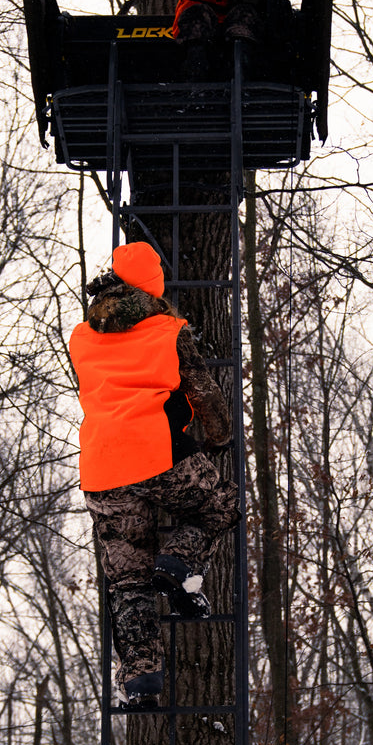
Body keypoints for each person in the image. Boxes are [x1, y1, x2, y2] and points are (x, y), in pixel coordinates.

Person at [69, 242, 238, 710]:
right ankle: (179, 564)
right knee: (222, 504)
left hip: (101, 467)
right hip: (159, 452)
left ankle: (141, 681)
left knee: (127, 581)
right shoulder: (171, 330)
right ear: (154, 286)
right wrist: (220, 438)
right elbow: (204, 396)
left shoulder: (81, 337)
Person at [168, 0, 269, 81]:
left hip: (242, 41)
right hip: (196, 39)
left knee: (245, 15)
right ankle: (195, 86)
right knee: (197, 14)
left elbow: (276, 10)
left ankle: (240, 84)